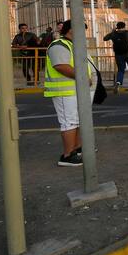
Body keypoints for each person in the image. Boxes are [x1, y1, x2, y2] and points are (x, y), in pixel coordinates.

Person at [44, 20, 93, 167]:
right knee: (69, 122)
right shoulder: (59, 45)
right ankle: (67, 155)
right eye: (82, 30)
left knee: (77, 121)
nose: (84, 34)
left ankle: (77, 149)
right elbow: (61, 66)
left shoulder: (73, 45)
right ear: (71, 30)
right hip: (65, 91)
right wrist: (84, 78)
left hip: (75, 90)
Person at [103, 21, 128, 89]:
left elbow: (105, 38)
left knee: (121, 69)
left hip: (118, 55)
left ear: (117, 27)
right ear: (124, 26)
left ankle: (118, 82)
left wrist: (112, 31)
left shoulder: (114, 34)